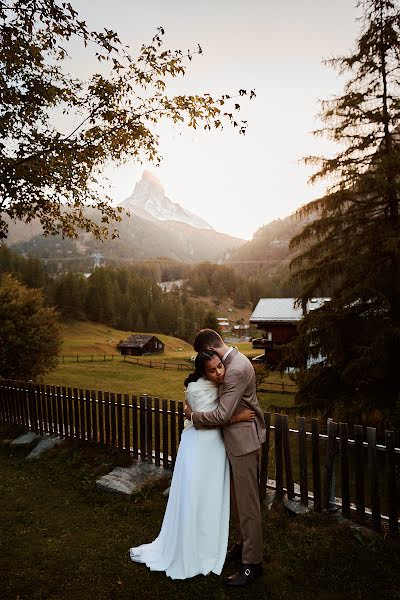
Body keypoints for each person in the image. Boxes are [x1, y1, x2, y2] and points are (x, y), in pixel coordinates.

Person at [129, 349, 255, 580]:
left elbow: (196, 409)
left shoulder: (213, 384)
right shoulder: (198, 389)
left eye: (220, 367)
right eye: (212, 370)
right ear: (202, 372)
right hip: (202, 447)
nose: (218, 372)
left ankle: (206, 545)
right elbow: (213, 420)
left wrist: (188, 411)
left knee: (209, 498)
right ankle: (194, 549)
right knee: (197, 497)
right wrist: (236, 418)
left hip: (211, 447)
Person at [184, 329, 266, 587]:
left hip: (243, 444)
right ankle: (243, 546)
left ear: (210, 347)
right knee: (238, 502)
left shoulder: (237, 369)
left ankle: (252, 564)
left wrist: (193, 416)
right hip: (232, 442)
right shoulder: (230, 363)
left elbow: (220, 415)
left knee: (248, 505)